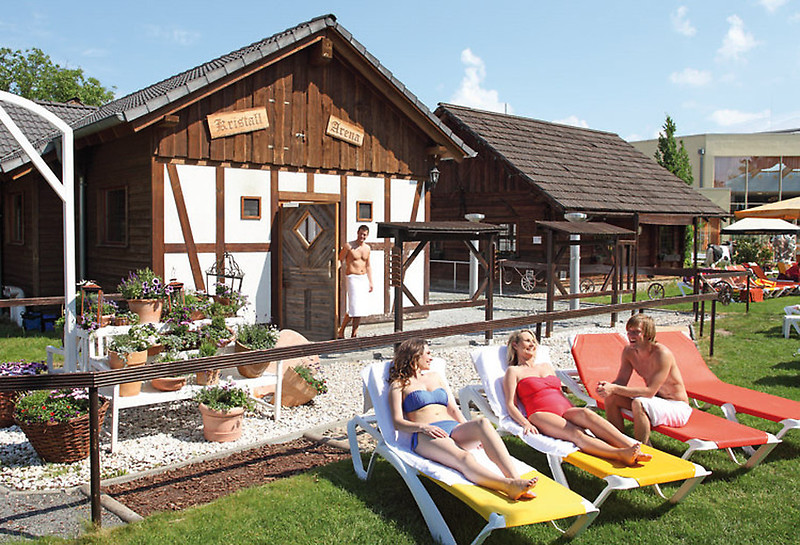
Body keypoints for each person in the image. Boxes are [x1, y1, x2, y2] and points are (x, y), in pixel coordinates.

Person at [388, 338, 538, 501]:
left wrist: (473, 432)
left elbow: (453, 409)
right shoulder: (399, 384)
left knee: (482, 423)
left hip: (453, 427)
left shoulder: (435, 376)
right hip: (426, 435)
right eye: (428, 353)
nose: (431, 358)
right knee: (465, 458)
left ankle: (516, 479)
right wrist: (423, 427)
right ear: (415, 355)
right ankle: (508, 486)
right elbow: (397, 422)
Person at [502, 330, 651, 466]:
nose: (532, 344)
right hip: (541, 414)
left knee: (587, 414)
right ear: (515, 345)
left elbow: (558, 392)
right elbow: (510, 404)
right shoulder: (514, 371)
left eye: (534, 341)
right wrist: (525, 424)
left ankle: (633, 446)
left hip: (565, 408)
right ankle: (619, 454)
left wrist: (574, 409)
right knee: (576, 433)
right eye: (527, 340)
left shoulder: (546, 366)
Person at [596, 314, 692, 445]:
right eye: (629, 331)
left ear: (648, 334)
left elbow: (650, 392)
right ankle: (617, 443)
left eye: (636, 332)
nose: (631, 335)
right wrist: (607, 387)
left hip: (677, 407)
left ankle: (642, 449)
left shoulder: (662, 354)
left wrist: (614, 388)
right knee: (611, 397)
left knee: (639, 403)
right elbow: (621, 381)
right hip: (656, 401)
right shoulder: (629, 352)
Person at [337, 225, 373, 338]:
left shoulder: (367, 248)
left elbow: (368, 266)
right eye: (361, 234)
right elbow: (339, 259)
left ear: (367, 235)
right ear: (357, 233)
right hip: (352, 277)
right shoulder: (349, 246)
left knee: (360, 308)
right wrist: (336, 275)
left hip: (363, 278)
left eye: (364, 235)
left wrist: (370, 281)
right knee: (354, 307)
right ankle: (341, 331)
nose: (362, 236)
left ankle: (354, 334)